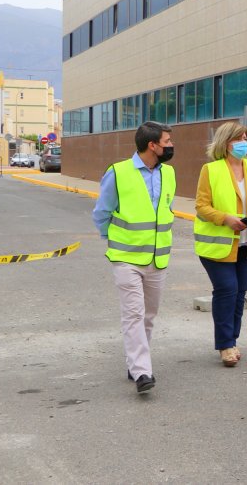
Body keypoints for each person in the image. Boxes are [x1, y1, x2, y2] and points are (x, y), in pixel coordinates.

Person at [91, 121, 176, 394]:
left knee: (148, 315)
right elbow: (101, 213)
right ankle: (142, 372)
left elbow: (167, 210)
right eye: (167, 141)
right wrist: (114, 239)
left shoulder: (169, 174)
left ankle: (136, 363)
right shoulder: (118, 172)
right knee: (134, 314)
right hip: (126, 258)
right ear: (152, 145)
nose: (171, 145)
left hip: (157, 257)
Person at [194, 122, 247, 367]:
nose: (244, 142)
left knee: (239, 294)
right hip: (218, 245)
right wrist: (226, 219)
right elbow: (201, 206)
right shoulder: (210, 170)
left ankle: (232, 339)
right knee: (227, 291)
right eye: (238, 138)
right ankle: (225, 345)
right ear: (225, 142)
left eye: (245, 137)